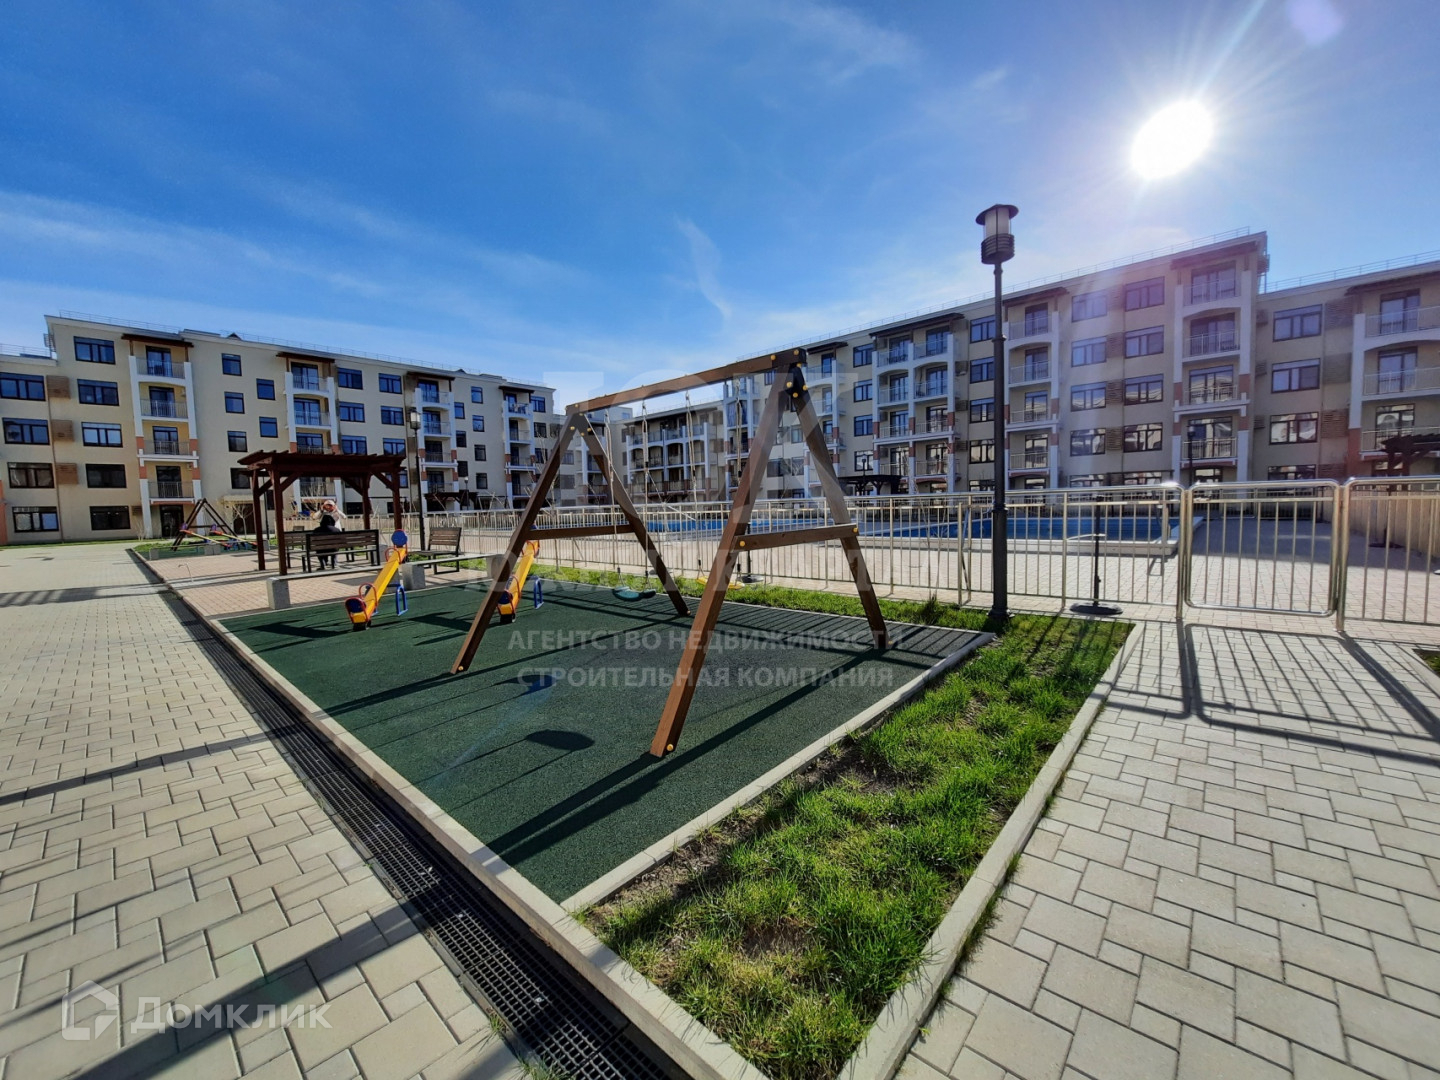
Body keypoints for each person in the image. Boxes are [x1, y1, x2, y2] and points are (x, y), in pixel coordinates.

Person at [314, 499, 344, 569]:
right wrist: (321, 510)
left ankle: (328, 563)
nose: (328, 507)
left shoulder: (336, 512)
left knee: (322, 547)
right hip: (331, 535)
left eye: (330, 505)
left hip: (332, 535)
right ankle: (329, 563)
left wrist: (337, 510)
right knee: (332, 547)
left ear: (333, 506)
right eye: (327, 505)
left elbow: (344, 516)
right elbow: (315, 517)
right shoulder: (322, 512)